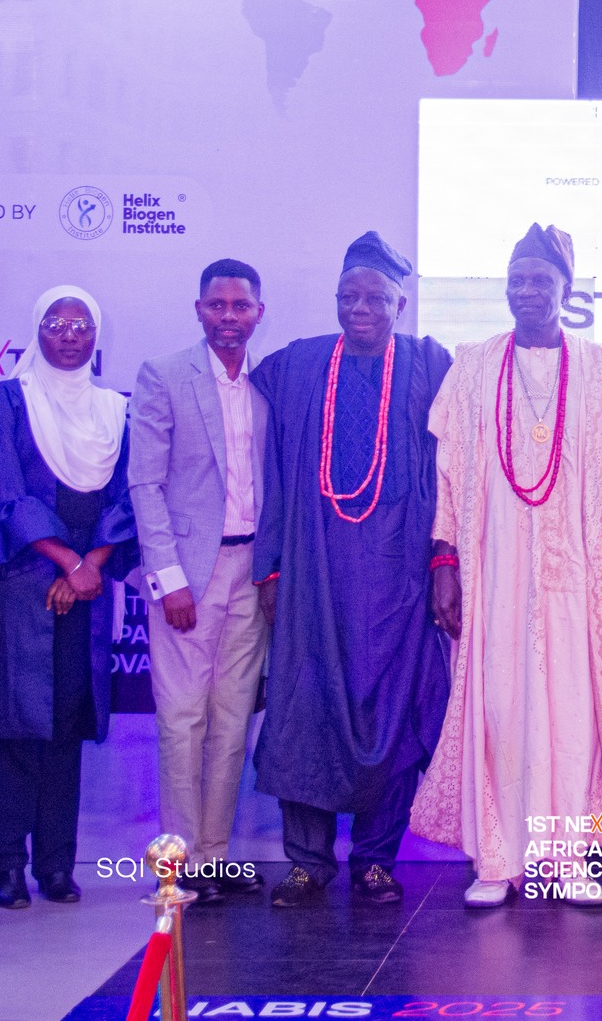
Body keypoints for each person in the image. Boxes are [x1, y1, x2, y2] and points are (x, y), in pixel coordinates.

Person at [411, 225, 602, 909]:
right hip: (496, 570)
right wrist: (445, 559)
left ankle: (569, 858)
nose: (527, 291)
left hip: (581, 569)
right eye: (517, 280)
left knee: (575, 714)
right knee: (500, 704)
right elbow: (447, 473)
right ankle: (497, 857)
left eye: (541, 279)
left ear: (567, 290)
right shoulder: (473, 365)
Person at [251, 231, 452, 909]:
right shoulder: (299, 365)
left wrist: (444, 559)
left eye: (374, 297)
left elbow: (452, 471)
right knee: (305, 712)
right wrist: (270, 566)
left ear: (401, 303)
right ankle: (307, 862)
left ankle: (374, 860)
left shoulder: (430, 364)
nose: (359, 308)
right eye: (347, 296)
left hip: (399, 577)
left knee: (393, 716)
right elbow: (270, 469)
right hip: (314, 574)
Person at [0, 286, 137, 909]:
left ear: (96, 335)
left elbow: (126, 498)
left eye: (81, 323)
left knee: (66, 725)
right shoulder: (5, 401)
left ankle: (57, 864)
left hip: (86, 592)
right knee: (16, 724)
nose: (69, 334)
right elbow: (6, 493)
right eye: (56, 322)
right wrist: (67, 561)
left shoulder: (115, 410)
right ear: (37, 329)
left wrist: (90, 567)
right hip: (19, 587)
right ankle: (6, 863)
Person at [128, 259, 271, 905]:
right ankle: (177, 863)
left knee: (232, 721)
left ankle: (214, 859)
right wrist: (168, 578)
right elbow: (144, 483)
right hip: (187, 572)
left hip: (251, 571)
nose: (229, 316)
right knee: (182, 718)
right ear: (199, 310)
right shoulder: (163, 375)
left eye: (240, 306)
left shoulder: (266, 383)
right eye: (217, 305)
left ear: (259, 313)